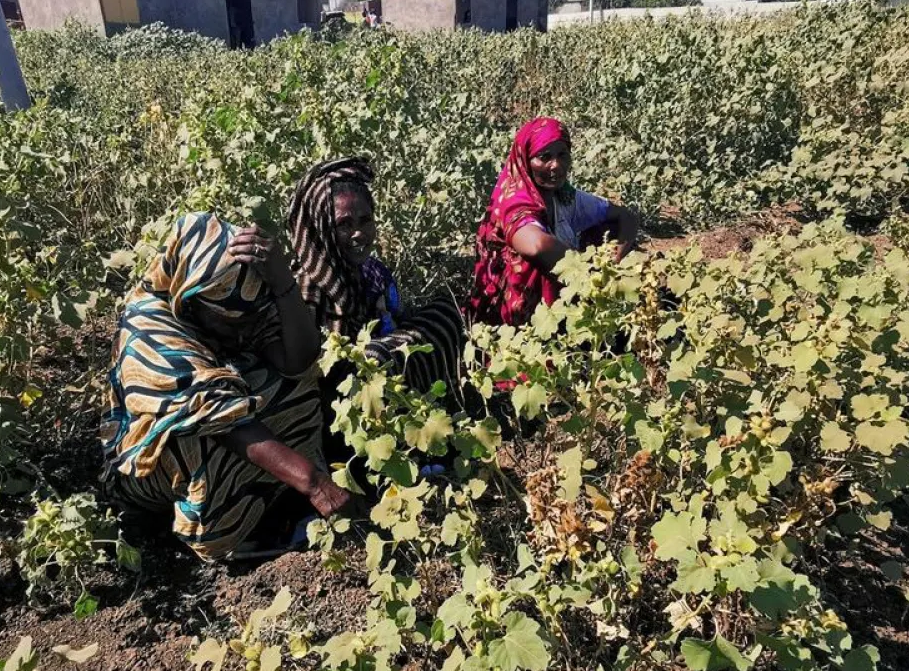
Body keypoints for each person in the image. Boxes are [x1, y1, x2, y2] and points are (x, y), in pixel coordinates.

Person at [98, 212, 353, 561]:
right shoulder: (147, 324)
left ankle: (274, 495)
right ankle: (233, 536)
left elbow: (300, 359)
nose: (241, 329)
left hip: (226, 419)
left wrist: (282, 283)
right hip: (146, 470)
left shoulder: (233, 300)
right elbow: (220, 419)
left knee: (292, 384)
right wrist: (315, 484)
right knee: (200, 438)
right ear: (189, 297)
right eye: (229, 321)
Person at [286, 157, 465, 395]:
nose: (359, 233)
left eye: (365, 220)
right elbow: (306, 367)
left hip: (377, 356)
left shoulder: (369, 270)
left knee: (447, 310)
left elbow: (394, 318)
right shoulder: (306, 285)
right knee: (378, 358)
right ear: (322, 228)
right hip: (335, 394)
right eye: (344, 225)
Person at [467, 118, 640, 328]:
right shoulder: (514, 201)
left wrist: (614, 261)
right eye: (544, 157)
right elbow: (536, 245)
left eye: (562, 155)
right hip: (512, 320)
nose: (556, 165)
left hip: (566, 297)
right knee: (543, 261)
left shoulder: (563, 196)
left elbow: (626, 217)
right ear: (525, 159)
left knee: (608, 229)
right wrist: (586, 272)